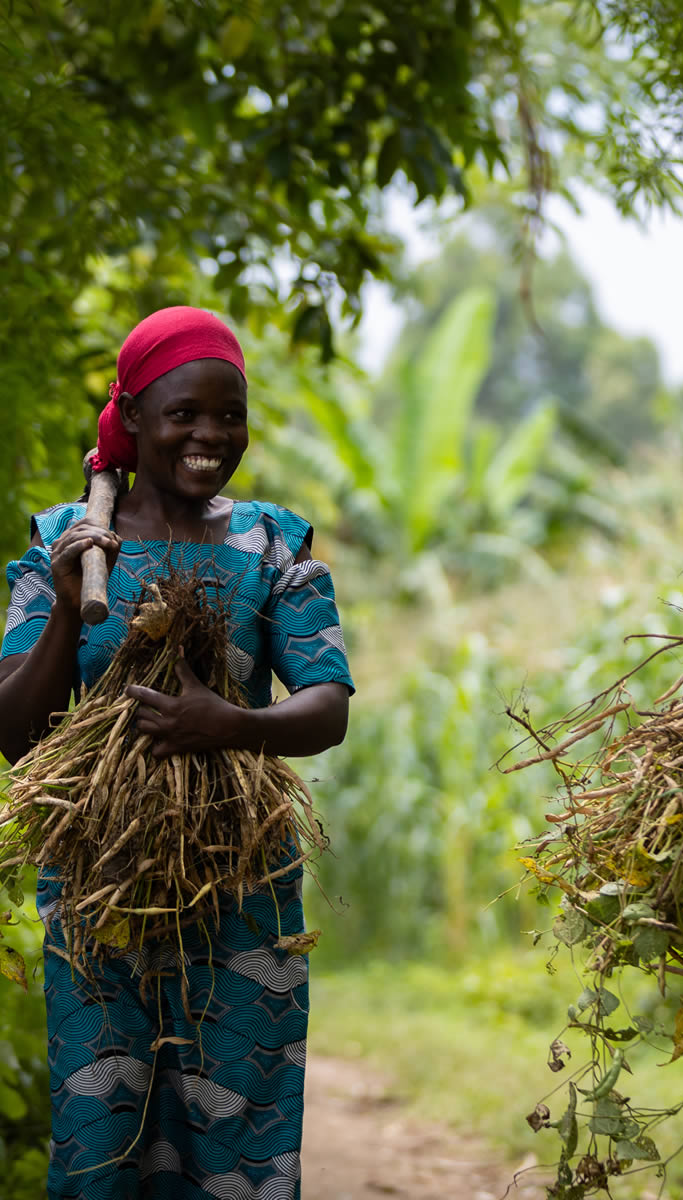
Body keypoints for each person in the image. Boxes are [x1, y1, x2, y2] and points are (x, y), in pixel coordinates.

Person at [0, 306, 353, 1199]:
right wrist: (70, 575)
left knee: (240, 1143)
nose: (211, 435)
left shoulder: (274, 542)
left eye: (229, 416)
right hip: (98, 889)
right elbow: (13, 734)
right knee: (102, 1141)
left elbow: (326, 705)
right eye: (185, 414)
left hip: (241, 886)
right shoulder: (61, 543)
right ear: (135, 417)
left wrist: (233, 724)